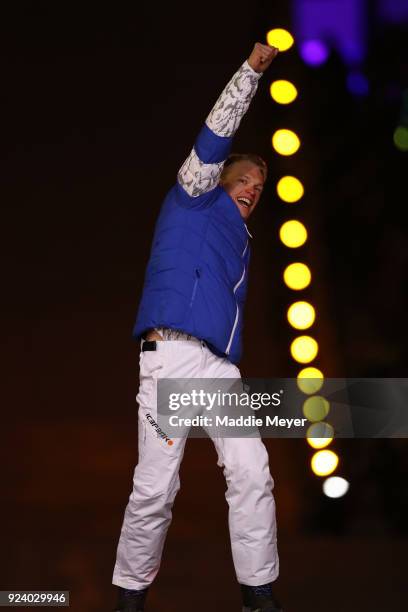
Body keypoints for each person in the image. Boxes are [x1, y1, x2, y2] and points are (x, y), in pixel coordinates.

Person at [113, 42, 282, 612]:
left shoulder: (243, 244)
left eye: (260, 189)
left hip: (217, 369)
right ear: (218, 179)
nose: (253, 189)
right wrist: (250, 73)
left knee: (252, 469)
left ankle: (258, 593)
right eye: (245, 180)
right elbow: (214, 136)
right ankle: (130, 595)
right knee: (157, 489)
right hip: (171, 358)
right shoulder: (191, 198)